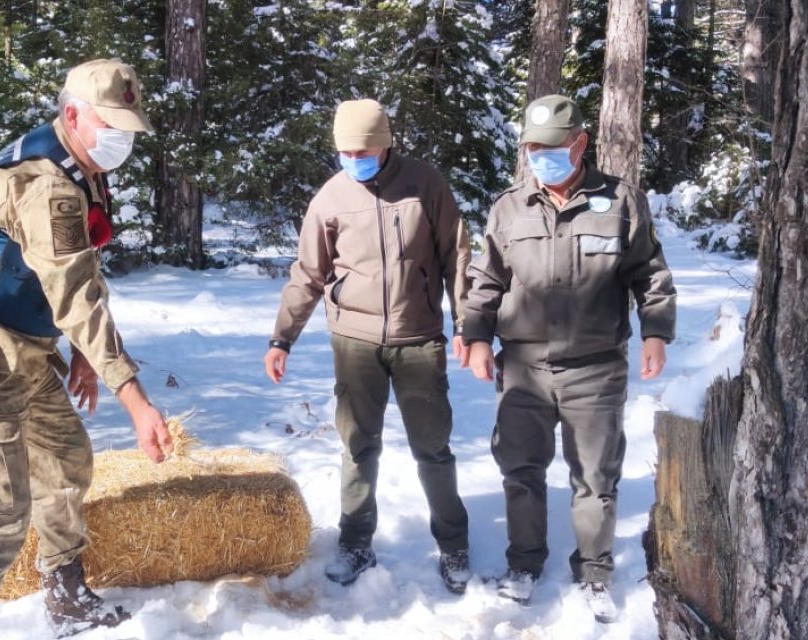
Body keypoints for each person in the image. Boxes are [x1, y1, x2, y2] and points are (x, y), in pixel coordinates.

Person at [0, 59, 173, 640]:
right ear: (73, 114)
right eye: (112, 123)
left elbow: (76, 269)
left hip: (25, 348)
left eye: (128, 124)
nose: (122, 138)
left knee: (66, 460)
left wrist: (81, 354)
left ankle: (66, 592)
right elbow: (76, 296)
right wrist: (137, 401)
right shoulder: (48, 185)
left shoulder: (81, 162)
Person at [462, 94, 676, 622]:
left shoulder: (622, 200)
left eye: (551, 146)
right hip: (524, 367)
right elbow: (485, 278)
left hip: (596, 367)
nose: (540, 156)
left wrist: (656, 332)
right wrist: (476, 336)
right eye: (532, 147)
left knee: (596, 478)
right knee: (521, 471)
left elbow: (649, 272)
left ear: (579, 143)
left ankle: (595, 572)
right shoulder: (509, 206)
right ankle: (525, 564)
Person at [263, 99, 473, 594]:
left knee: (433, 447)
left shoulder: (425, 185)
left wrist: (467, 323)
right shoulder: (331, 197)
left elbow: (455, 256)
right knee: (358, 446)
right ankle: (356, 541)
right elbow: (308, 274)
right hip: (355, 343)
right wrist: (282, 337)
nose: (352, 158)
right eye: (344, 150)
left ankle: (454, 542)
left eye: (362, 150)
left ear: (385, 145)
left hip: (418, 339)